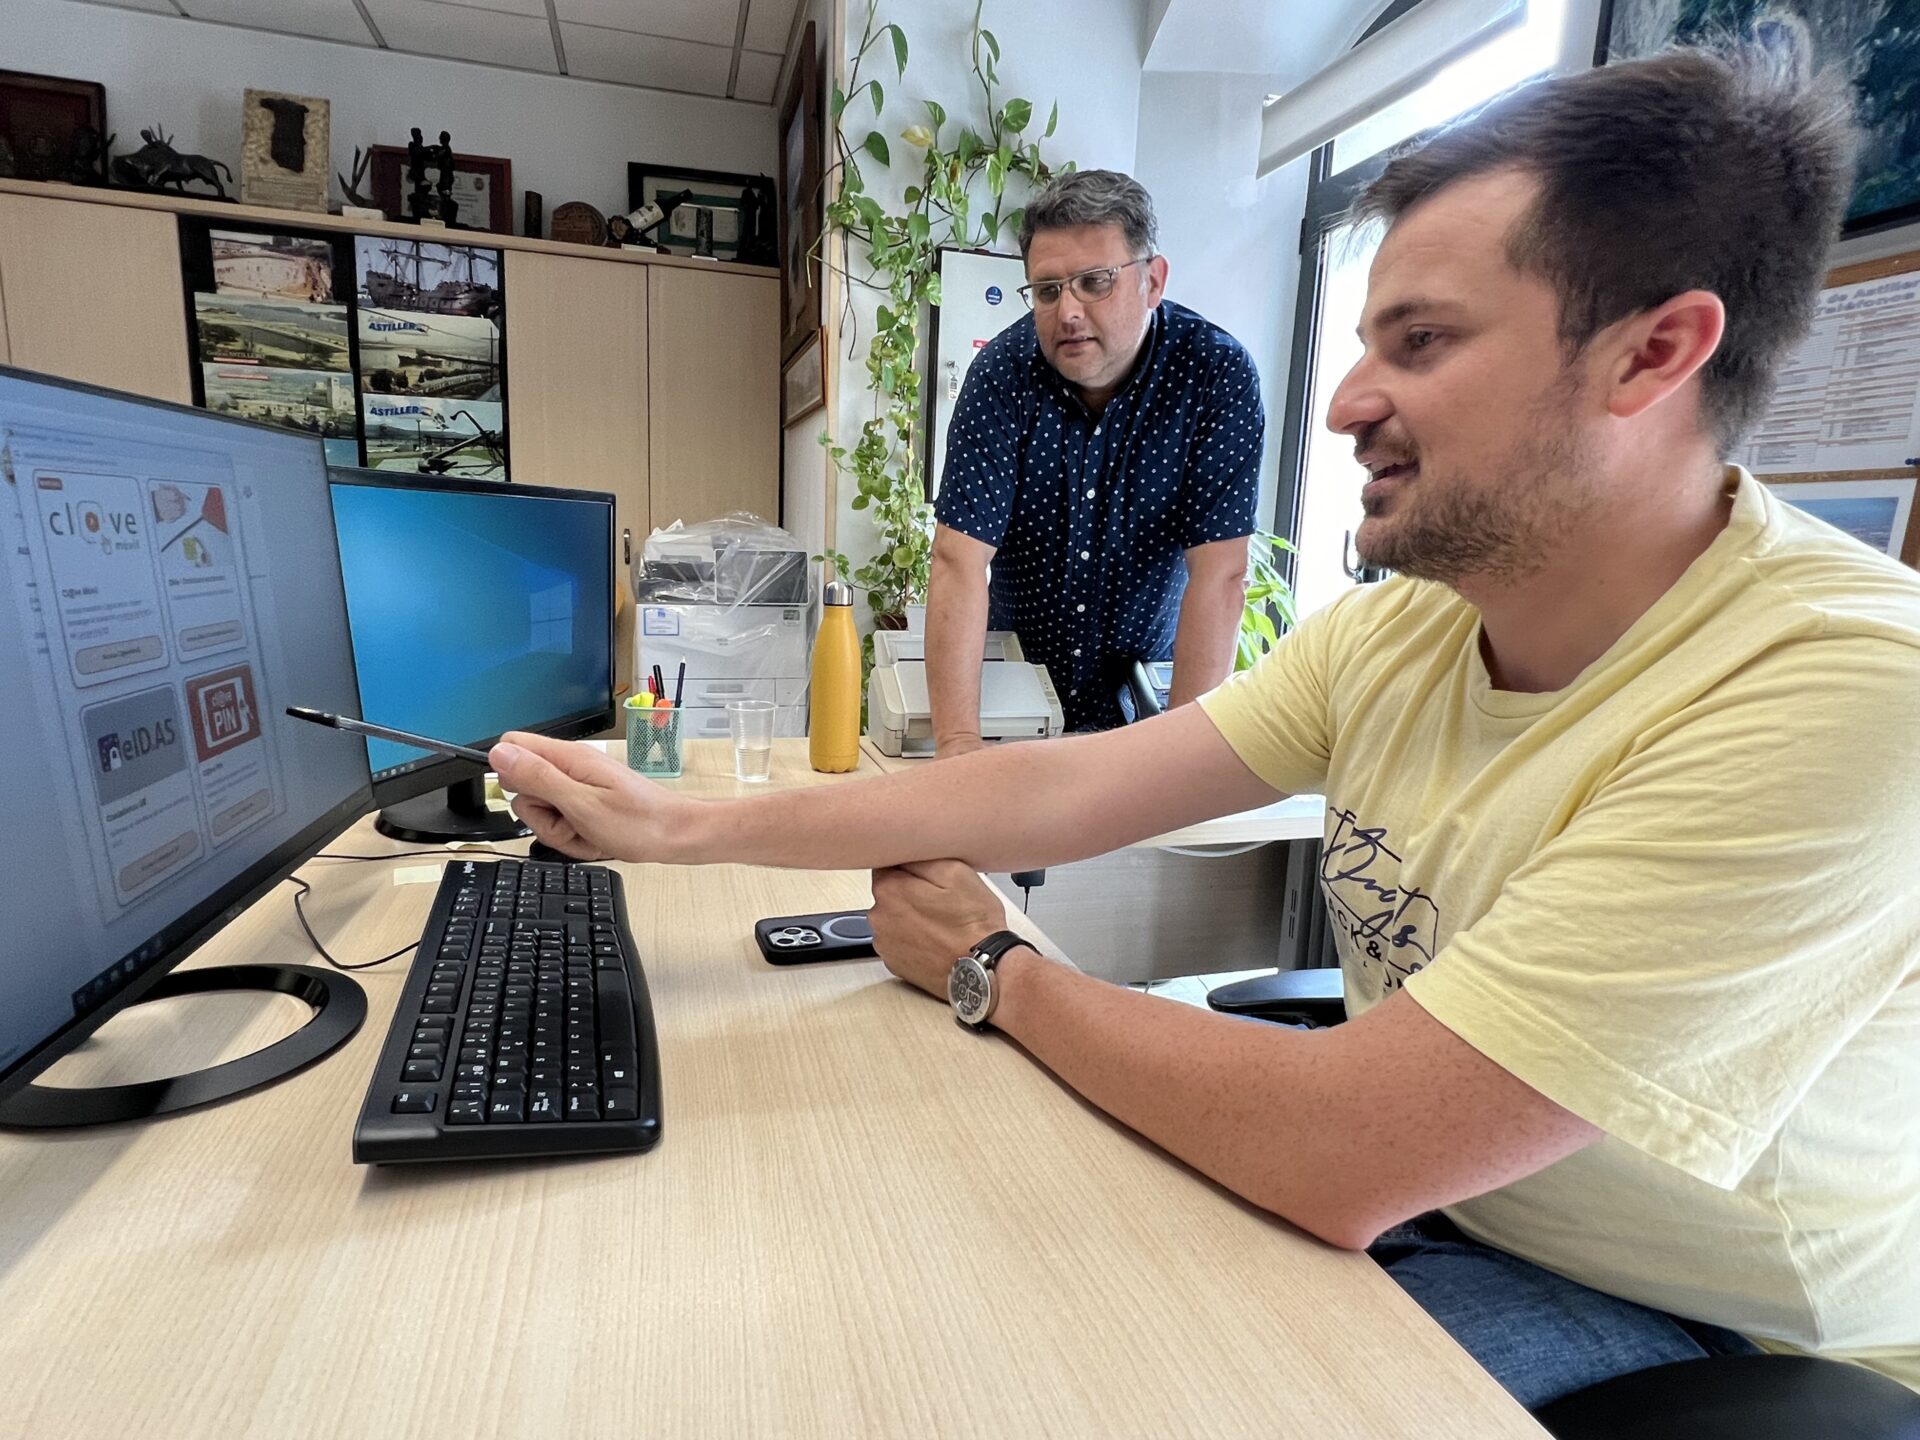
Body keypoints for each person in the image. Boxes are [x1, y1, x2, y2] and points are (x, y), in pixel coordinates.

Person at [489, 38, 1920, 1408]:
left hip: (1706, 1322)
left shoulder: (1841, 689)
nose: (1347, 403)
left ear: (1653, 354)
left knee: (1076, 1378)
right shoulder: (1404, 629)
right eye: (1365, 343)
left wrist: (995, 969)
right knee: (951, 1257)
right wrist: (682, 825)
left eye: (1422, 342)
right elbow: (1062, 789)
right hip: (1446, 1207)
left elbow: (1345, 1145)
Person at [927, 170, 1264, 754]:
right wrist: (958, 743)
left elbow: (1220, 576)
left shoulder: (1214, 375)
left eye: (1093, 282)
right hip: (1016, 698)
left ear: (1152, 281)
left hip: (1147, 699)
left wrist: (1179, 757)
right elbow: (958, 561)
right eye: (1047, 290)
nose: (1068, 312)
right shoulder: (1001, 376)